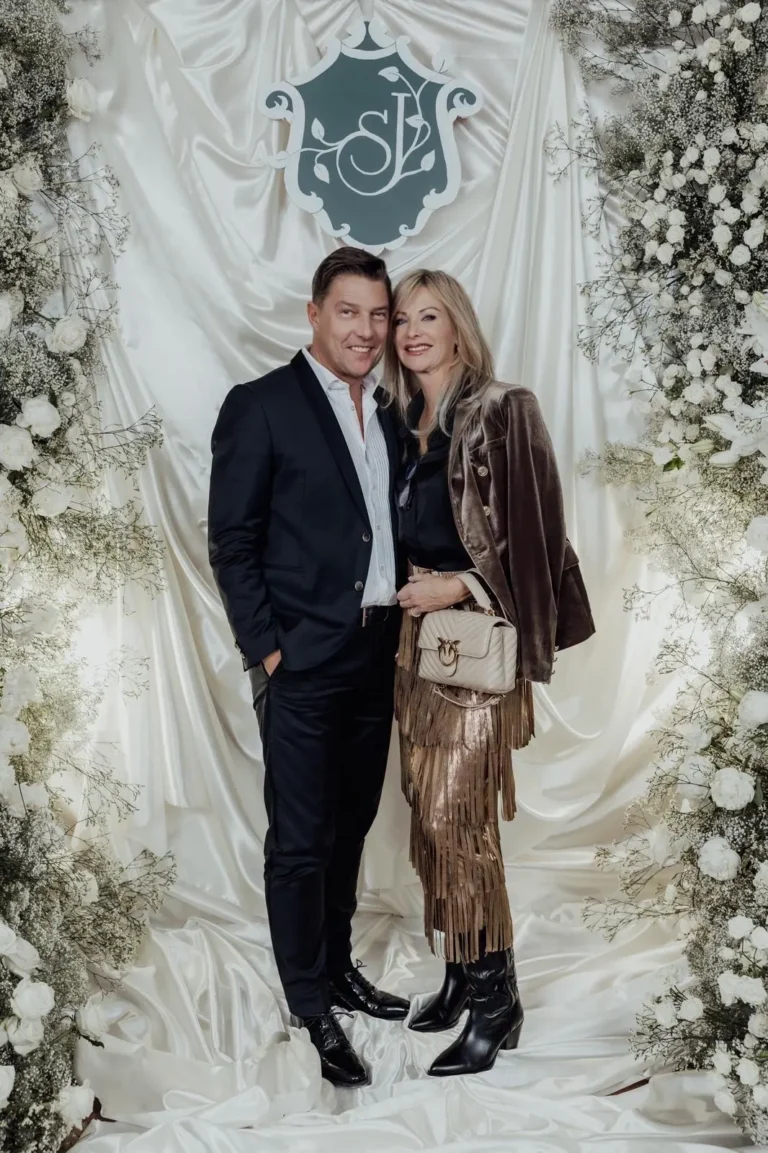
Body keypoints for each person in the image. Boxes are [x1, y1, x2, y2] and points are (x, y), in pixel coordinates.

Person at [384, 269, 595, 1078]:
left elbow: (537, 536)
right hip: (417, 645)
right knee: (426, 814)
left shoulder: (505, 409)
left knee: (457, 817)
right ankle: (461, 966)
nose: (412, 332)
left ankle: (498, 999)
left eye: (428, 316)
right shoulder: (402, 420)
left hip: (477, 646)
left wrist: (459, 585)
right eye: (402, 319)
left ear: (458, 326)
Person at [207, 247, 409, 1089]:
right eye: (349, 312)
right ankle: (307, 1001)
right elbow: (232, 541)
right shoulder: (260, 406)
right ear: (315, 313)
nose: (366, 330)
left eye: (378, 315)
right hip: (301, 661)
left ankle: (336, 965)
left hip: (377, 652)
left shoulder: (391, 409)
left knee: (352, 822)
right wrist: (270, 650)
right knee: (299, 839)